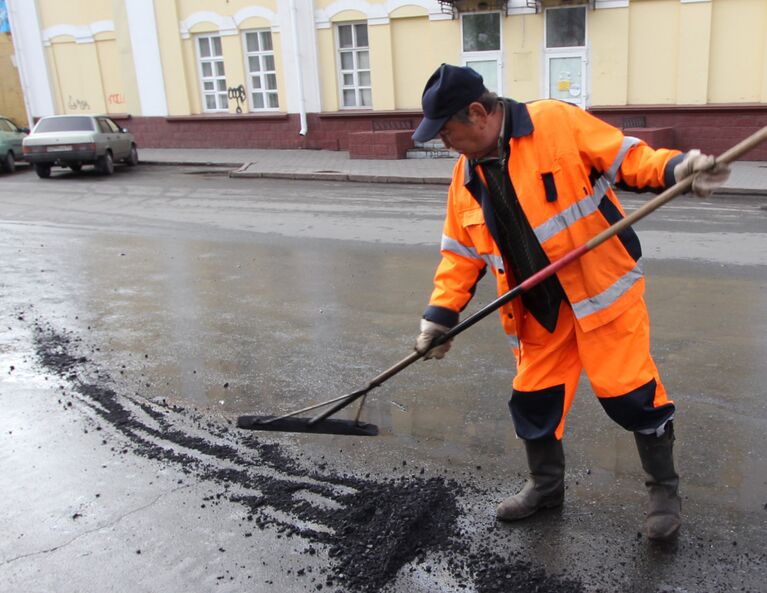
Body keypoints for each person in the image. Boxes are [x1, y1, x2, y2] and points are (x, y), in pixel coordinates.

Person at [411, 64, 730, 541]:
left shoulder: (555, 123)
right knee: (533, 400)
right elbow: (459, 256)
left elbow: (628, 158)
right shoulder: (465, 177)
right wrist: (439, 319)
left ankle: (664, 492)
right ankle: (545, 487)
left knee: (632, 396)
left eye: (447, 132)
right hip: (537, 310)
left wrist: (677, 169)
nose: (444, 143)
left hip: (601, 294)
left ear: (478, 113)